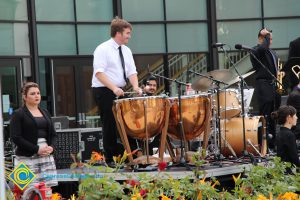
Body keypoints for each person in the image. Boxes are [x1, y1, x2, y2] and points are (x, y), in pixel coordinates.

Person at [92, 17, 142, 166]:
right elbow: (99, 73)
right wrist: (113, 88)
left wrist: (135, 87)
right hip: (104, 90)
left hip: (120, 90)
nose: (129, 36)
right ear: (118, 33)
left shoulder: (126, 50)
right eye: (127, 33)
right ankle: (110, 159)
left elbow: (132, 72)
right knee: (110, 124)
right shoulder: (102, 49)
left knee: (128, 123)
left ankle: (133, 156)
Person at [10, 82, 58, 188]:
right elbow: (16, 137)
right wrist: (36, 149)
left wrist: (51, 148)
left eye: (38, 93)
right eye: (32, 94)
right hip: (26, 157)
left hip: (45, 157)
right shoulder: (18, 114)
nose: (36, 96)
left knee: (46, 190)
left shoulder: (45, 112)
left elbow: (53, 135)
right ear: (25, 97)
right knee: (27, 191)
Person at [250, 28, 282, 149]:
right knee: (266, 114)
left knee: (275, 114)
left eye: (271, 39)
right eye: (268, 38)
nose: (270, 41)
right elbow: (263, 48)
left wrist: (280, 73)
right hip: (264, 85)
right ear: (261, 38)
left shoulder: (272, 52)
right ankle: (264, 144)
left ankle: (273, 143)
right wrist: (266, 36)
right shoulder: (256, 50)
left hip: (274, 84)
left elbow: (275, 67)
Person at [271, 105, 299, 172]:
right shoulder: (289, 135)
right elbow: (295, 159)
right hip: (289, 173)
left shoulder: (280, 133)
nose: (297, 118)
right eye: (295, 115)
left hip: (282, 171)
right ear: (289, 117)